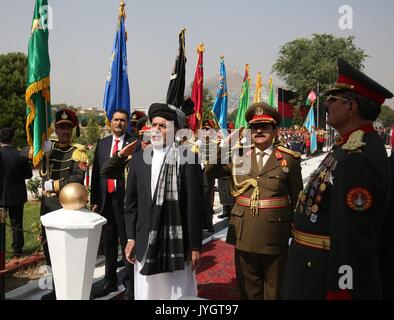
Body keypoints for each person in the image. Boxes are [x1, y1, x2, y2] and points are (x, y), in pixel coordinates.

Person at [282, 58, 393, 300]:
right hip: (310, 267)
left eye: (333, 99)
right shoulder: (347, 146)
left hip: (322, 276)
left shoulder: (358, 156)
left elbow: (352, 234)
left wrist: (342, 289)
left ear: (351, 107)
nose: (327, 103)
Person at [206, 102, 303, 300]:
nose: (259, 131)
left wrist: (297, 233)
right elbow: (209, 171)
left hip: (275, 234)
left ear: (274, 131)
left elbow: (298, 198)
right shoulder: (238, 156)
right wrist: (225, 146)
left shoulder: (289, 159)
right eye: (254, 127)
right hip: (244, 232)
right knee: (248, 288)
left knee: (275, 289)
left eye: (265, 127)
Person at [124, 103, 203, 300]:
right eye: (155, 125)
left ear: (174, 130)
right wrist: (131, 237)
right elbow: (131, 203)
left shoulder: (187, 158)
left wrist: (194, 245)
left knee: (175, 295)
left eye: (163, 126)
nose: (157, 129)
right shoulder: (139, 159)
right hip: (144, 242)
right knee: (147, 294)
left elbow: (194, 205)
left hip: (176, 245)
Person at [40, 109, 88, 300]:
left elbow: (78, 178)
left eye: (68, 128)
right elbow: (26, 155)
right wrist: (37, 149)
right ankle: (56, 289)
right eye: (61, 128)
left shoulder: (78, 152)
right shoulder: (47, 148)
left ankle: (71, 289)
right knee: (49, 250)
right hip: (47, 207)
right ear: (56, 130)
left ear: (73, 129)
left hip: (66, 209)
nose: (65, 132)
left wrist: (55, 185)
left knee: (67, 251)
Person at [90, 109, 136, 300]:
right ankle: (109, 280)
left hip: (125, 202)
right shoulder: (103, 143)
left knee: (127, 243)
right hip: (106, 201)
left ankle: (130, 285)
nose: (119, 123)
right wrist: (94, 200)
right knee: (108, 243)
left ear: (127, 123)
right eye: (116, 120)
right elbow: (96, 174)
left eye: (123, 120)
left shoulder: (135, 144)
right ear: (110, 122)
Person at [0, 128, 33, 257]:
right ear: (13, 139)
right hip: (16, 195)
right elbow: (29, 175)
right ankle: (17, 250)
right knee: (17, 223)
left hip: (0, 195)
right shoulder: (20, 156)